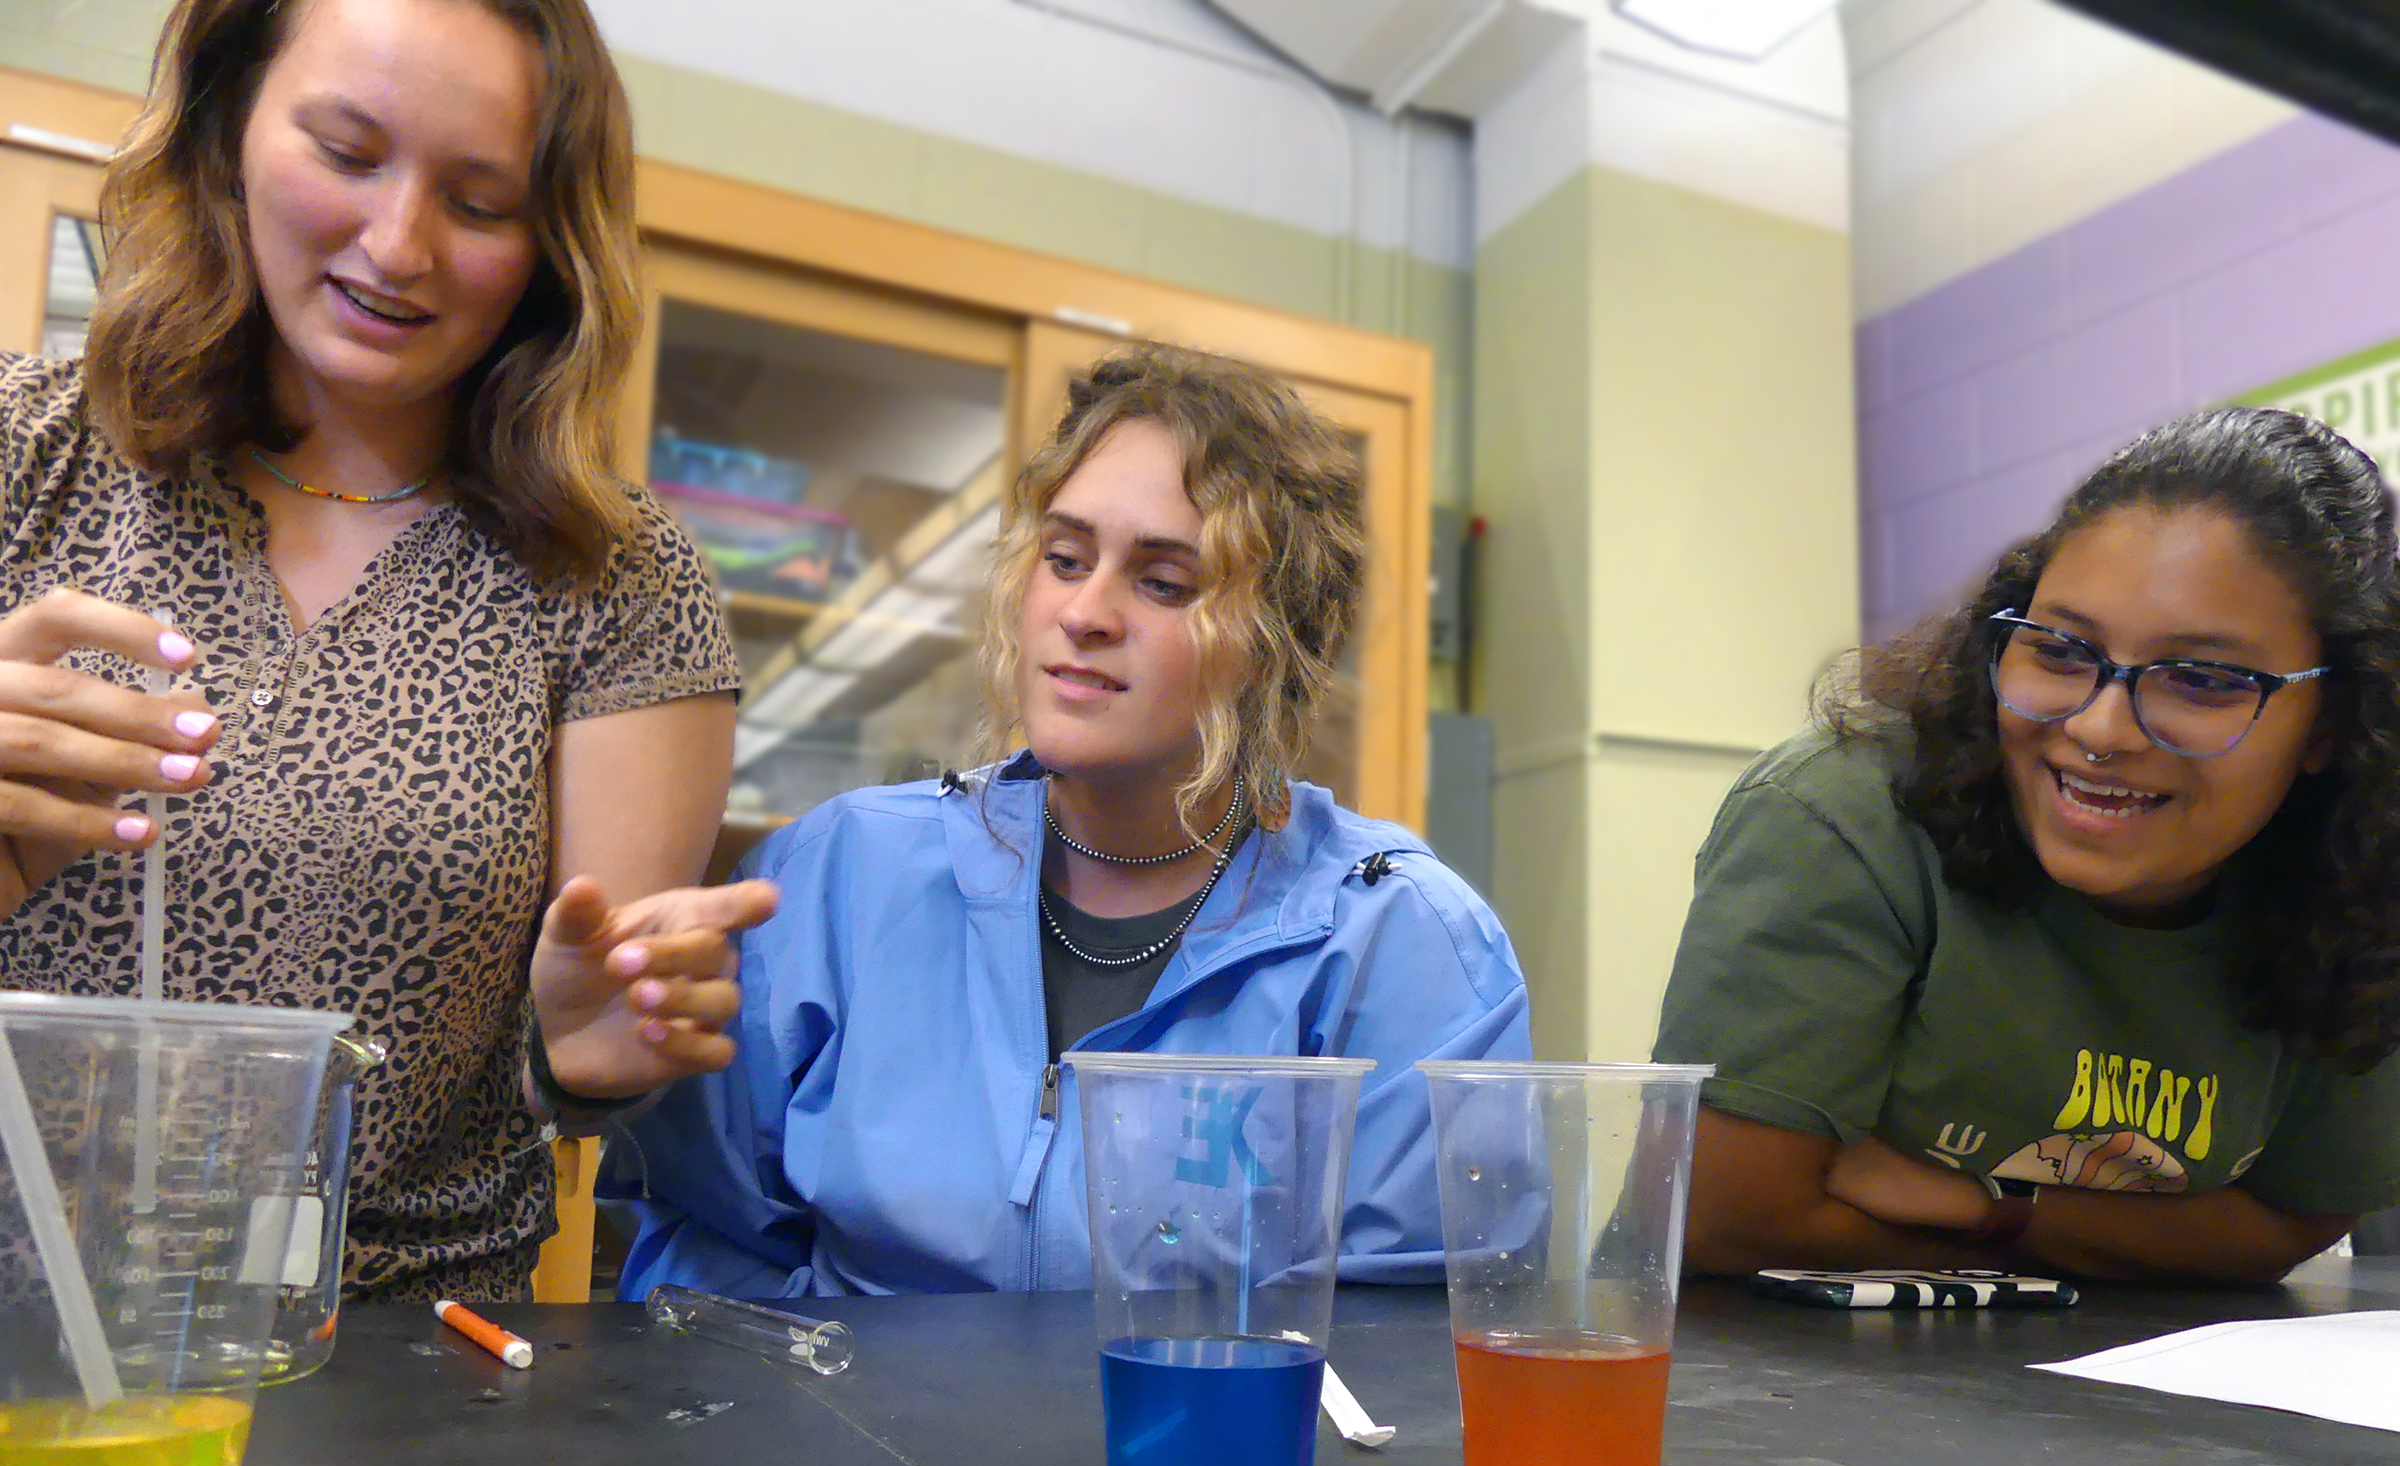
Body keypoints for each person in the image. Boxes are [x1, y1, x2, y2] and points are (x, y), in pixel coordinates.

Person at [0, 0, 775, 1302]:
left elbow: (581, 1047)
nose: (397, 243)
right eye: (348, 154)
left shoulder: (614, 577)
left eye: (481, 204)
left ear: (550, 244)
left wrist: (584, 1054)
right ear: (227, 125)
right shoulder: (29, 453)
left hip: (398, 1364)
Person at [607, 345, 1529, 1299]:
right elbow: (699, 1250)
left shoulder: (1397, 941)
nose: (1085, 613)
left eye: (1164, 583)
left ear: (1277, 645)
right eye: (1065, 558)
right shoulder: (839, 874)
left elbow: (1414, 1359)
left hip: (1204, 1445)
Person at [1658, 407, 2400, 1284]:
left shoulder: (2364, 878)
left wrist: (1993, 1210)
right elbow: (1727, 1221)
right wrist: (2123, 1244)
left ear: (2335, 723)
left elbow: (2288, 1221)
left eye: (2202, 679)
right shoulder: (1849, 813)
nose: (2100, 726)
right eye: (2060, 650)